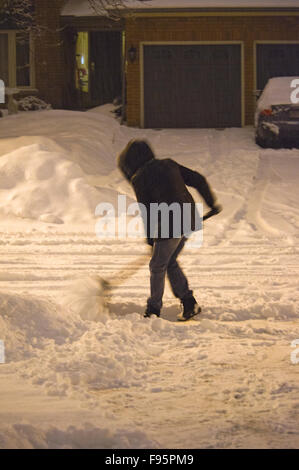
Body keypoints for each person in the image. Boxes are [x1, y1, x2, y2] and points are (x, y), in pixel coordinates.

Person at [117, 139, 221, 321]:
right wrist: (211, 202)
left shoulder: (139, 178)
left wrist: (151, 240)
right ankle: (189, 303)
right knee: (169, 261)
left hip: (170, 222)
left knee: (157, 266)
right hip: (189, 218)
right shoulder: (169, 164)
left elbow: (147, 211)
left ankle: (153, 310)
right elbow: (198, 179)